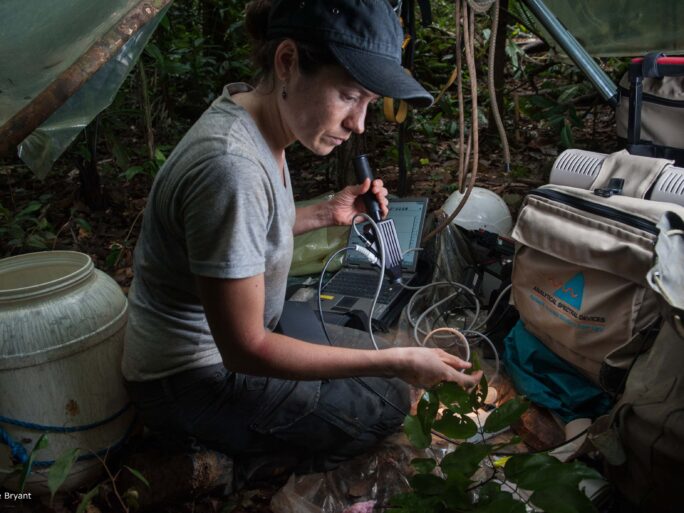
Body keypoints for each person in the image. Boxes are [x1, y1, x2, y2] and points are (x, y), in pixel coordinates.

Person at [122, 0, 482, 483]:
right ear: (287, 61)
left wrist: (327, 213)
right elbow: (245, 350)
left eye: (369, 103)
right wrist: (397, 361)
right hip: (189, 379)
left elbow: (240, 234)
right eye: (349, 95)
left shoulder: (255, 118)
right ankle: (222, 467)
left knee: (372, 352)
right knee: (385, 404)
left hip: (243, 334)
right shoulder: (231, 168)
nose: (359, 124)